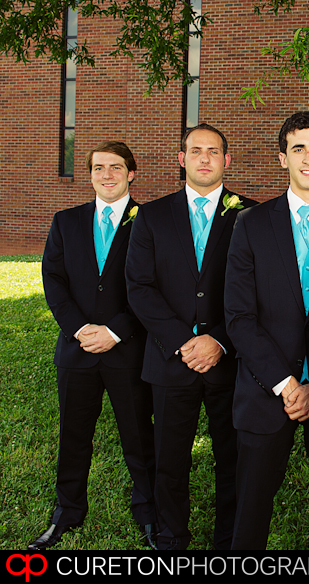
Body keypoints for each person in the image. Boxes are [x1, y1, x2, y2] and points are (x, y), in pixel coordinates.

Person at [225, 112, 309, 550]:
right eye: (298, 148)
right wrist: (287, 384)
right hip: (266, 388)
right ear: (283, 158)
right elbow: (239, 316)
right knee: (252, 505)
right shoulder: (251, 224)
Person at [126, 123, 254, 550]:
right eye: (195, 151)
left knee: (232, 459)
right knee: (169, 460)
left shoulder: (251, 216)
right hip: (170, 360)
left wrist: (219, 340)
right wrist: (184, 341)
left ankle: (228, 541)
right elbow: (139, 287)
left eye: (214, 151)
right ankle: (170, 537)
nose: (204, 158)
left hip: (231, 360)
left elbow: (261, 292)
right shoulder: (152, 215)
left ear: (226, 161)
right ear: (181, 159)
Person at [34, 141, 157, 550]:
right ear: (89, 174)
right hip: (76, 349)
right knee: (73, 434)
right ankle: (67, 511)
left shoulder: (150, 222)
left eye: (116, 167)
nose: (107, 175)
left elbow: (154, 287)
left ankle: (148, 512)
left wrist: (115, 331)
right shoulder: (66, 221)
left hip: (128, 350)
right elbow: (53, 279)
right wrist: (79, 329)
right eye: (99, 167)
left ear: (131, 173)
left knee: (138, 435)